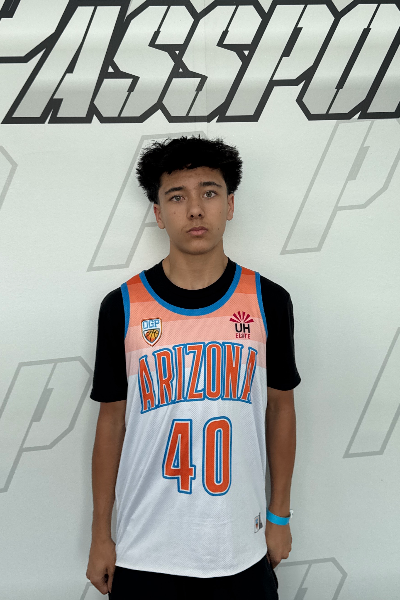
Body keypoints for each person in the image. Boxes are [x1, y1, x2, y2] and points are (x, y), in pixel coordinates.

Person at [86, 135, 301, 599]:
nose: (196, 209)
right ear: (159, 213)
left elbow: (281, 408)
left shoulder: (268, 300)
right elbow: (110, 422)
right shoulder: (122, 307)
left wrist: (279, 516)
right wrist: (101, 534)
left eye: (209, 192)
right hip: (144, 549)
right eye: (177, 197)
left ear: (230, 204)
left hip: (241, 547)